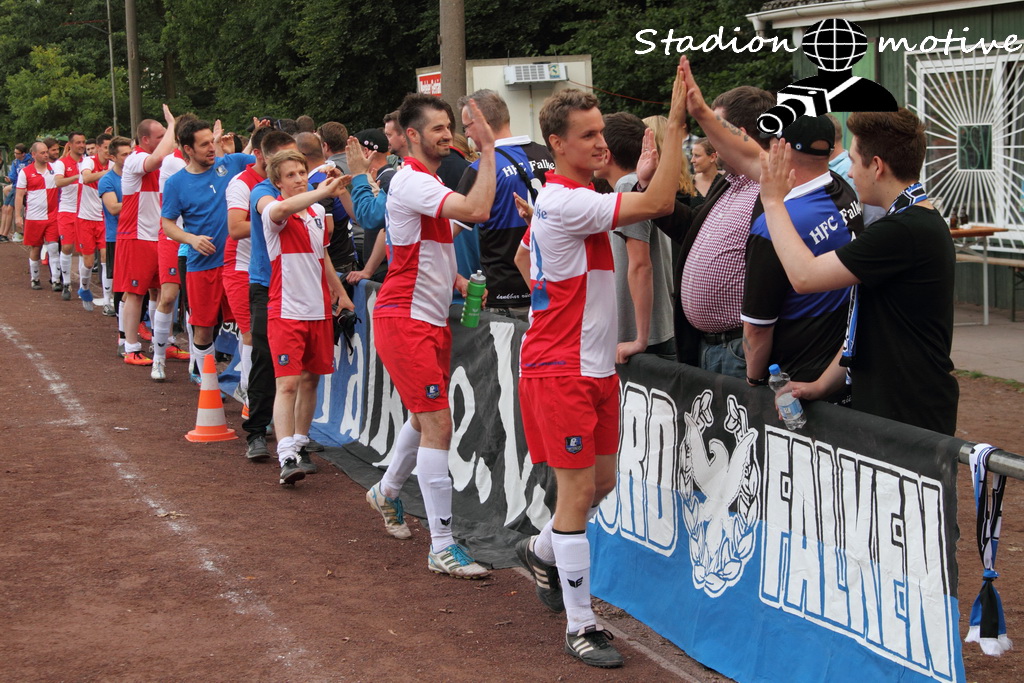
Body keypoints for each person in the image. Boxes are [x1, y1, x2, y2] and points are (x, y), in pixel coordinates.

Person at [516, 58, 687, 668]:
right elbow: (661, 201)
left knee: (603, 484)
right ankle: (581, 625)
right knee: (578, 491)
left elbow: (525, 256)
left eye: (601, 133)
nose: (600, 143)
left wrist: (551, 303)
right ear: (556, 143)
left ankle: (540, 551)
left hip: (590, 367)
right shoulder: (567, 202)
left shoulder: (573, 197)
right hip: (560, 368)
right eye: (587, 135)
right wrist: (675, 125)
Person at [759, 108, 958, 435]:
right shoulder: (908, 221)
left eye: (853, 161)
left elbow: (804, 276)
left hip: (908, 411)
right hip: (898, 403)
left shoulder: (903, 230)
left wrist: (773, 202)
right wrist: (821, 385)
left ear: (877, 166)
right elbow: (865, 325)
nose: (849, 173)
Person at [364, 93, 497, 579]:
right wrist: (489, 150)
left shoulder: (428, 180)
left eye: (449, 126)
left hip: (426, 318)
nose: (447, 134)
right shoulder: (411, 179)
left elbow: (425, 246)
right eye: (438, 128)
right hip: (406, 319)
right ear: (412, 135)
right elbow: (477, 210)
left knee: (425, 418)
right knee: (439, 422)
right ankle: (441, 545)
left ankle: (386, 491)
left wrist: (456, 280)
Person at [650, 59, 775, 376]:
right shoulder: (728, 181)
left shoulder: (771, 185)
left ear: (737, 135)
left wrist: (699, 111)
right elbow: (691, 230)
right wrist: (649, 186)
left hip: (740, 349)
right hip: (708, 346)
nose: (710, 144)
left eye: (713, 130)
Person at [739, 115, 861, 388]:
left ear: (782, 148)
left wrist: (754, 378)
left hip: (795, 377)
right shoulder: (842, 188)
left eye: (771, 142)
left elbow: (757, 327)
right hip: (840, 361)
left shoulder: (774, 225)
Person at [254, 149, 353, 485]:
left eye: (301, 172)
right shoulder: (274, 211)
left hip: (318, 310)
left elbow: (321, 256)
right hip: (287, 311)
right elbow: (282, 209)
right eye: (291, 175)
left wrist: (339, 292)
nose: (298, 179)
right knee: (288, 384)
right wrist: (322, 191)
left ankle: (299, 444)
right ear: (278, 182)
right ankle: (285, 455)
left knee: (311, 381)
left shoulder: (317, 212)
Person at [160, 118, 254, 383]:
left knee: (248, 327)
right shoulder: (176, 183)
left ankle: (248, 389)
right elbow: (167, 224)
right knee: (203, 328)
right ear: (188, 149)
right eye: (204, 145)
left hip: (238, 263)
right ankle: (208, 385)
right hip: (203, 265)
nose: (211, 148)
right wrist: (191, 239)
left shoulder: (231, 163)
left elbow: (266, 162)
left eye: (211, 142)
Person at [455, 89, 554, 319]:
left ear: (483, 124)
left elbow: (445, 233)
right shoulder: (548, 155)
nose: (467, 134)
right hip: (550, 287)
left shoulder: (481, 169)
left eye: (467, 127)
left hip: (505, 295)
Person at [594, 112, 675, 362]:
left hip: (644, 338)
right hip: (657, 330)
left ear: (607, 154)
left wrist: (640, 338)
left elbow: (640, 265)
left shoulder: (627, 187)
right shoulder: (637, 184)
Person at [244, 130, 300, 463]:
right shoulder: (261, 192)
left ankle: (297, 438)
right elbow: (276, 210)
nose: (296, 170)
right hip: (267, 284)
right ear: (268, 163)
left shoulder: (307, 192)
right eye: (286, 161)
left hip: (300, 288)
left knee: (304, 369)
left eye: (299, 163)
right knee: (266, 358)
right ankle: (255, 431)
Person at [117, 106, 177, 367]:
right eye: (159, 136)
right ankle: (130, 346)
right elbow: (156, 159)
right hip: (137, 235)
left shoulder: (163, 160)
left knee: (160, 291)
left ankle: (163, 342)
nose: (165, 140)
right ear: (145, 139)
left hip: (159, 236)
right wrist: (172, 125)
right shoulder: (135, 159)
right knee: (135, 292)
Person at [15, 141, 60, 289]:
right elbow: (19, 195)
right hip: (34, 216)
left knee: (53, 247)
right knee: (36, 248)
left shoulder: (54, 168)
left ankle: (56, 280)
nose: (46, 155)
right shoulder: (25, 172)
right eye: (42, 153)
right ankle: (35, 278)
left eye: (47, 152)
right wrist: (18, 216)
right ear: (33, 154)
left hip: (52, 215)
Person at [77, 133, 113, 307]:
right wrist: (107, 173)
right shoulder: (89, 161)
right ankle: (84, 288)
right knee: (89, 262)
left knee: (106, 258)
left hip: (105, 219)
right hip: (86, 218)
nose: (108, 151)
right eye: (105, 147)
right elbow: (86, 177)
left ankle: (107, 301)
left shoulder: (113, 164)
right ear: (98, 148)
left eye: (110, 147)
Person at [99, 137, 131, 322]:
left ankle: (137, 322)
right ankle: (122, 328)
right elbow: (112, 207)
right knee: (121, 284)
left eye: (130, 153)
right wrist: (139, 199)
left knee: (138, 283)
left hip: (137, 235)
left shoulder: (136, 177)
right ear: (113, 157)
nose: (129, 157)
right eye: (124, 154)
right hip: (116, 237)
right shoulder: (107, 180)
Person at [53, 131, 87, 299]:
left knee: (83, 249)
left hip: (84, 211)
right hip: (67, 210)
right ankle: (66, 283)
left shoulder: (87, 161)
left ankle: (82, 286)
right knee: (67, 247)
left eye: (83, 142)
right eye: (78, 142)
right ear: (70, 145)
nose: (82, 145)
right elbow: (58, 182)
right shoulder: (62, 163)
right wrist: (77, 176)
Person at [689, 138, 721, 207]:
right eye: (692, 155)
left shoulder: (725, 183)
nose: (692, 160)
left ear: (712, 157)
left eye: (697, 156)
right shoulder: (687, 183)